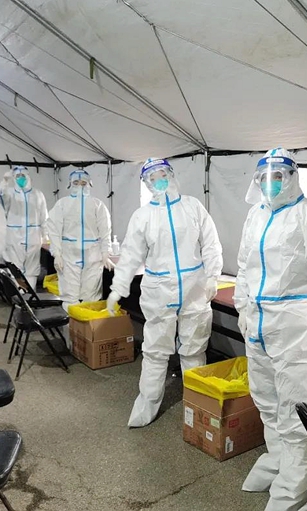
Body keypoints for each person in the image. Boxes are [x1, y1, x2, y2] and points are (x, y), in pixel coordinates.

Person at [234, 148, 307, 511]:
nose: (271, 183)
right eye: (264, 178)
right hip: (260, 322)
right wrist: (242, 305)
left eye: (278, 176)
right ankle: (277, 463)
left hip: (297, 325)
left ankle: (292, 492)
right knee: (267, 401)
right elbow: (244, 265)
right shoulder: (255, 215)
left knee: (297, 410)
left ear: (292, 177)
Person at [106, 158, 223, 428]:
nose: (158, 180)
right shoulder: (143, 216)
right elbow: (131, 256)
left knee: (194, 350)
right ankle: (146, 407)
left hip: (194, 288)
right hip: (159, 291)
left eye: (162, 174)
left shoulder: (192, 206)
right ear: (146, 184)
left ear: (171, 174)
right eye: (152, 178)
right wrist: (117, 289)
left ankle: (197, 407)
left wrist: (213, 275)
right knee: (155, 353)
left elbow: (211, 243)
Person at [46, 169, 114, 314]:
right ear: (70, 184)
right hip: (69, 256)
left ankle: (86, 326)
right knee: (70, 296)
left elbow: (105, 231)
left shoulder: (98, 205)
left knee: (91, 295)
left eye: (83, 183)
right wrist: (57, 254)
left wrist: (105, 254)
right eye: (76, 183)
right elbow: (54, 230)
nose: (80, 186)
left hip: (93, 256)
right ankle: (71, 325)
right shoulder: (62, 204)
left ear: (90, 184)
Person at [0, 165, 49, 287]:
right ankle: (19, 294)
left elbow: (44, 216)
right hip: (15, 236)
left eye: (23, 175)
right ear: (14, 178)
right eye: (18, 176)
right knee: (16, 267)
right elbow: (0, 195)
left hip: (33, 236)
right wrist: (4, 181)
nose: (21, 178)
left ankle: (30, 293)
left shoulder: (38, 194)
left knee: (32, 268)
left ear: (28, 177)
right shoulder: (10, 193)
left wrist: (45, 235)